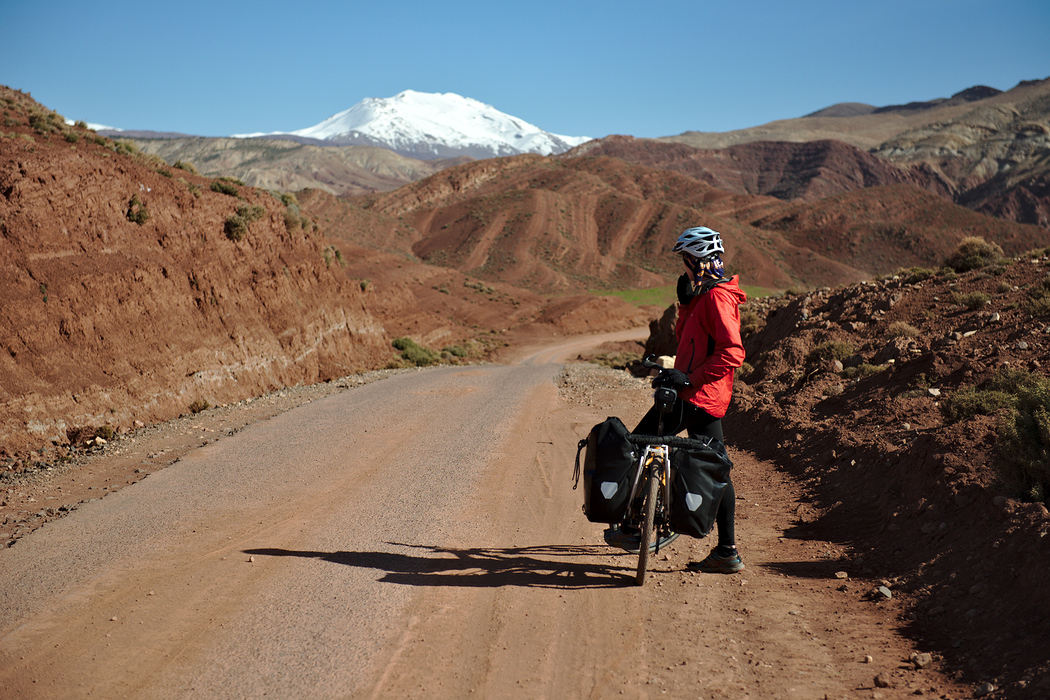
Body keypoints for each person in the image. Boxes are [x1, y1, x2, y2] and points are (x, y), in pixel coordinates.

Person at [604, 226, 748, 574]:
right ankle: (727, 551)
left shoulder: (717, 298)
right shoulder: (705, 295)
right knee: (718, 469)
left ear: (695, 262)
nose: (683, 270)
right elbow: (688, 340)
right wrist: (685, 306)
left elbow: (733, 352)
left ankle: (632, 528)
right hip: (703, 397)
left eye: (685, 262)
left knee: (635, 444)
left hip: (695, 395)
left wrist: (690, 378)